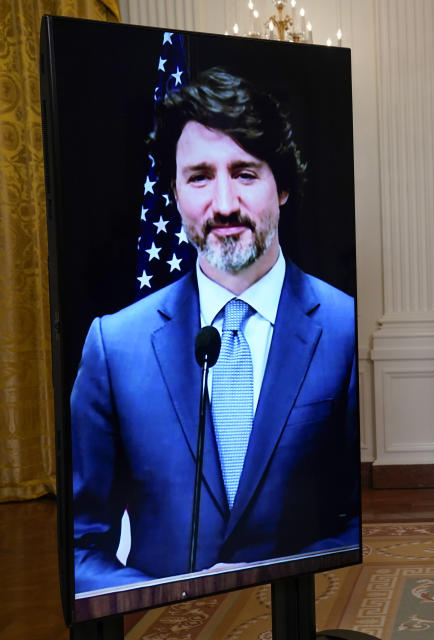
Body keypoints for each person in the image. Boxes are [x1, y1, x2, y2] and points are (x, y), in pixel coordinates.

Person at [70, 68, 359, 593]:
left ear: (284, 186)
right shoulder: (114, 346)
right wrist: (167, 603)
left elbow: (363, 522)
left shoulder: (346, 330)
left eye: (245, 173)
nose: (224, 204)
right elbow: (80, 549)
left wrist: (273, 580)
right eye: (200, 176)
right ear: (176, 194)